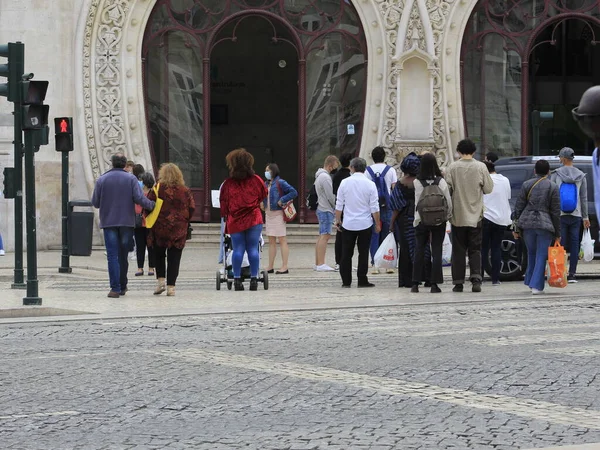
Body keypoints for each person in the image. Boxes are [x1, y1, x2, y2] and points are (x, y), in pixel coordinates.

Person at [91, 153, 155, 298]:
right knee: (123, 255)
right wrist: (152, 205)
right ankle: (123, 285)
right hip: (126, 222)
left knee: (112, 255)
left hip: (109, 223)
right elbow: (139, 199)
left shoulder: (102, 179)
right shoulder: (131, 179)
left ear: (112, 163)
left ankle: (115, 288)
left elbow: (95, 202)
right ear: (125, 164)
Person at [445, 139, 494, 293]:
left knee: (458, 249)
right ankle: (476, 279)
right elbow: (488, 188)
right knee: (475, 249)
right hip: (476, 215)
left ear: (459, 151)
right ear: (474, 151)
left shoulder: (452, 167)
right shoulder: (481, 167)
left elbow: (448, 190)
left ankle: (458, 282)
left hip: (458, 215)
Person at [220, 148, 268, 291]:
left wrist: (226, 215)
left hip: (235, 220)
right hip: (253, 218)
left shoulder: (228, 184)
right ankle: (254, 278)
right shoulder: (257, 180)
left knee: (238, 249)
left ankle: (236, 280)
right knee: (253, 248)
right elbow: (263, 195)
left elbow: (224, 203)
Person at [147, 163, 195, 297]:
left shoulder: (157, 188)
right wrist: (185, 220)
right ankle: (171, 287)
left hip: (160, 227)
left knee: (159, 255)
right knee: (175, 257)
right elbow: (192, 208)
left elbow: (149, 204)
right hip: (178, 229)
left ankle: (161, 281)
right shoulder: (185, 190)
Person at [513, 159, 561, 295]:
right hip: (545, 225)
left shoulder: (526, 184)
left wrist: (515, 227)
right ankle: (537, 286)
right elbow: (555, 212)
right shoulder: (553, 187)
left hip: (527, 223)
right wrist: (558, 232)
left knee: (531, 253)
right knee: (541, 254)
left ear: (535, 171)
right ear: (548, 172)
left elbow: (519, 207)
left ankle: (530, 281)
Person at [335, 157, 381, 288]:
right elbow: (374, 207)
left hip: (348, 223)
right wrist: (377, 223)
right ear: (364, 168)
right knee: (363, 252)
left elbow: (339, 205)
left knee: (346, 253)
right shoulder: (370, 184)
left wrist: (337, 221)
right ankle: (362, 279)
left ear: (352, 167)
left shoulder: (344, 183)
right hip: (365, 223)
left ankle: (346, 281)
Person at [411, 153, 452, 293]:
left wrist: (416, 219)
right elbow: (447, 201)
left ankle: (415, 283)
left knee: (419, 250)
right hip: (438, 220)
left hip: (421, 219)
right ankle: (435, 284)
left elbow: (417, 202)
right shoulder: (441, 181)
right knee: (437, 250)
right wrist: (447, 216)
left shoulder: (417, 182)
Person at [390, 152, 430, 287]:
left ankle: (408, 279)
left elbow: (395, 207)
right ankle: (426, 276)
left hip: (405, 220)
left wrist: (391, 223)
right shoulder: (424, 183)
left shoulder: (400, 184)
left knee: (406, 249)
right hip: (422, 218)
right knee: (423, 247)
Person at [550, 147, 590, 283]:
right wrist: (585, 217)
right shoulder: (581, 175)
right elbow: (583, 198)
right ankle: (572, 274)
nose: (559, 159)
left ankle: (561, 272)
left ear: (564, 159)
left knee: (560, 244)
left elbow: (552, 196)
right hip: (576, 214)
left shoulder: (556, 174)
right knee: (575, 244)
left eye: (560, 157)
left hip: (560, 214)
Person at [365, 146, 397, 273]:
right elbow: (394, 189)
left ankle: (375, 264)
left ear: (372, 157)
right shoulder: (391, 170)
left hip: (373, 206)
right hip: (387, 206)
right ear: (385, 157)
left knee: (374, 235)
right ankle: (388, 264)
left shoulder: (368, 171)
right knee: (388, 233)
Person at [263, 163, 297, 274]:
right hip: (268, 214)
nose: (266, 172)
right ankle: (270, 266)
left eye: (268, 170)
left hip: (278, 214)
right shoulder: (266, 184)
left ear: (273, 171)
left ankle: (284, 266)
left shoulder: (280, 182)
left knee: (282, 239)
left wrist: (282, 200)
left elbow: (293, 192)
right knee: (271, 240)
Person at [482, 161, 512, 285]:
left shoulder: (483, 180)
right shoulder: (505, 180)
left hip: (485, 217)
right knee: (496, 248)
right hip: (501, 219)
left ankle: (480, 277)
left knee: (482, 248)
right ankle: (495, 278)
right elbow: (508, 197)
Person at [314, 155, 340, 272]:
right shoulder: (325, 177)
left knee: (322, 236)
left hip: (322, 208)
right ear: (330, 166)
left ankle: (318, 262)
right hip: (326, 209)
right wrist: (337, 207)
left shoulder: (320, 175)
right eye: (335, 166)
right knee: (325, 236)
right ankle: (321, 263)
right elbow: (331, 196)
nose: (335, 169)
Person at [332, 151, 353, 270]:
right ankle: (346, 261)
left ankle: (338, 261)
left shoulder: (337, 175)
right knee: (347, 237)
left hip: (340, 207)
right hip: (349, 208)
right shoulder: (349, 176)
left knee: (339, 237)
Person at [134, 172, 156, 277]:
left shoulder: (153, 193)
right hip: (139, 223)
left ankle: (151, 267)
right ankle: (140, 267)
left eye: (141, 180)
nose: (140, 182)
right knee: (140, 246)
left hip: (150, 223)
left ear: (146, 182)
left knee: (150, 246)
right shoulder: (137, 193)